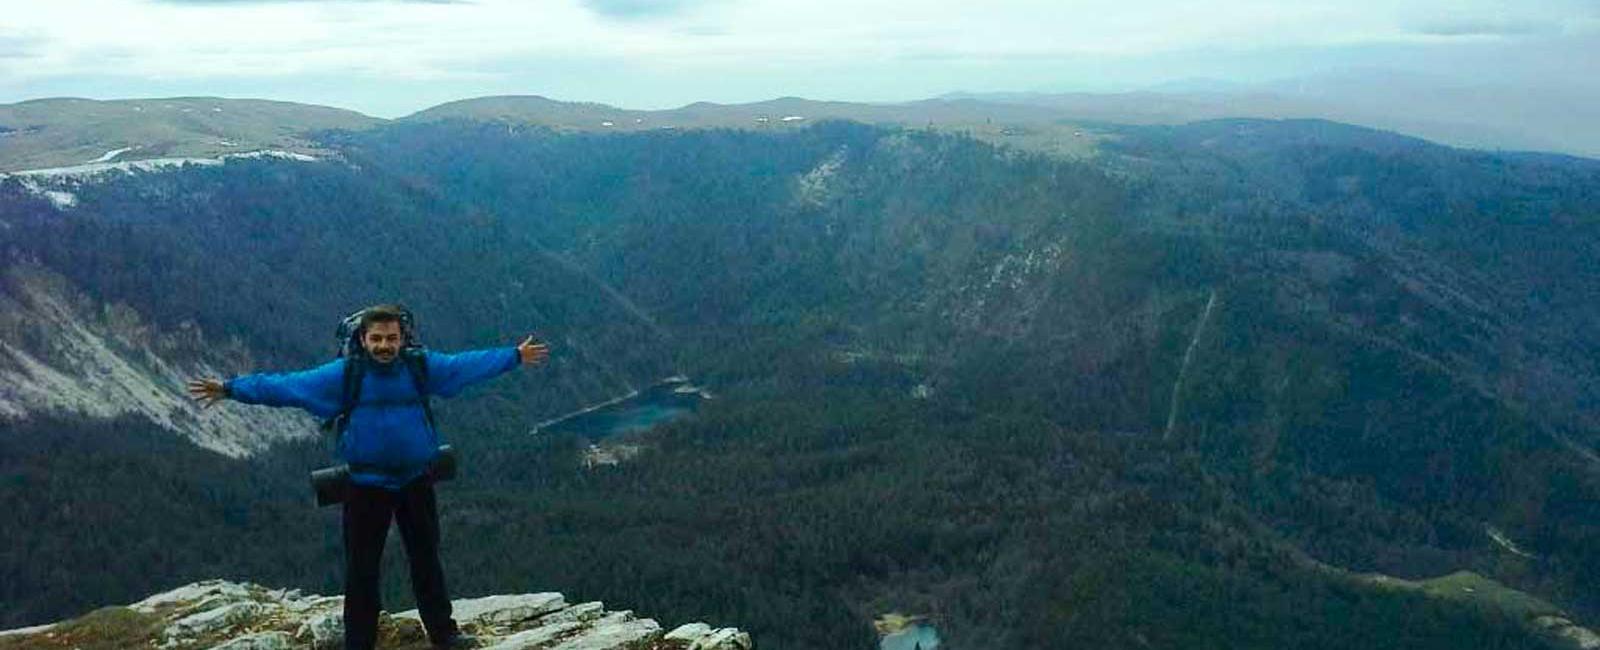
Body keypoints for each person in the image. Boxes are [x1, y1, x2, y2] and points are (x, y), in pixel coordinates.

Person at [186, 305, 550, 650]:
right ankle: (362, 644)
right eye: (376, 339)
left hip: (415, 481)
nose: (384, 346)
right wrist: (231, 388)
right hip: (366, 486)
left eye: (391, 339)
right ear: (363, 340)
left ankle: (443, 635)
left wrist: (514, 355)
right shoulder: (346, 375)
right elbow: (284, 386)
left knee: (426, 560)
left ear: (402, 338)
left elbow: (466, 365)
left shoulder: (421, 367)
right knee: (363, 570)